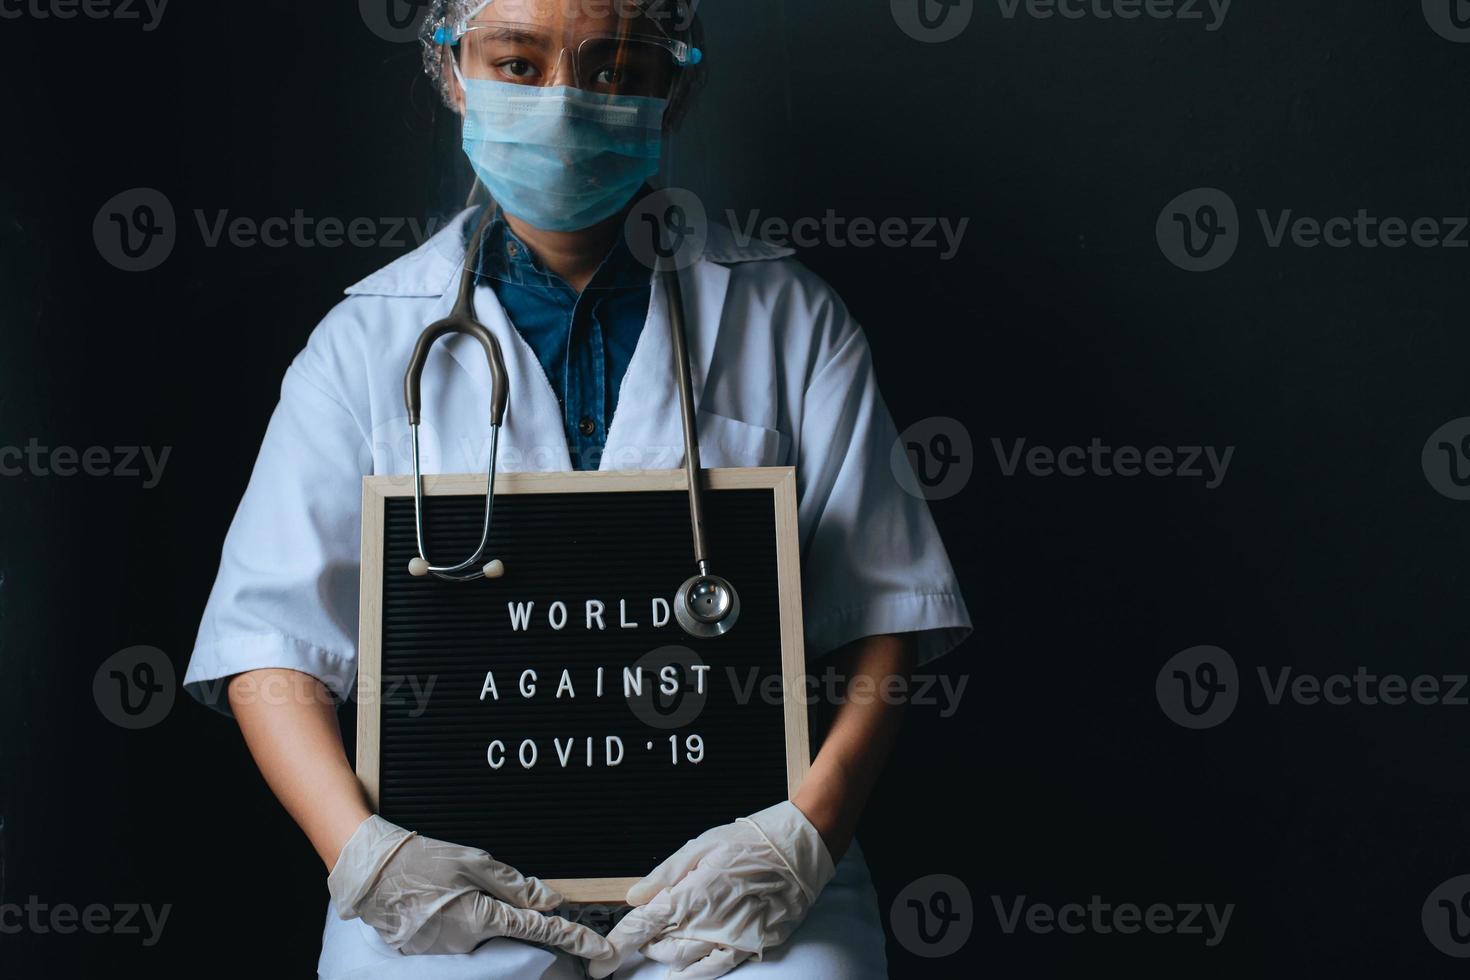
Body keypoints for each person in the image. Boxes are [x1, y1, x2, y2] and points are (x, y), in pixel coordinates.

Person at [182, 1, 973, 977]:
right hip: (455, 875)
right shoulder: (362, 346)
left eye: (613, 69)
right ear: (451, 65)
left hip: (735, 865)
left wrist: (804, 835)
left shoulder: (789, 317)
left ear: (671, 83)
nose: (562, 107)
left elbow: (886, 610)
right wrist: (366, 853)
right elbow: (270, 646)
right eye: (517, 63)